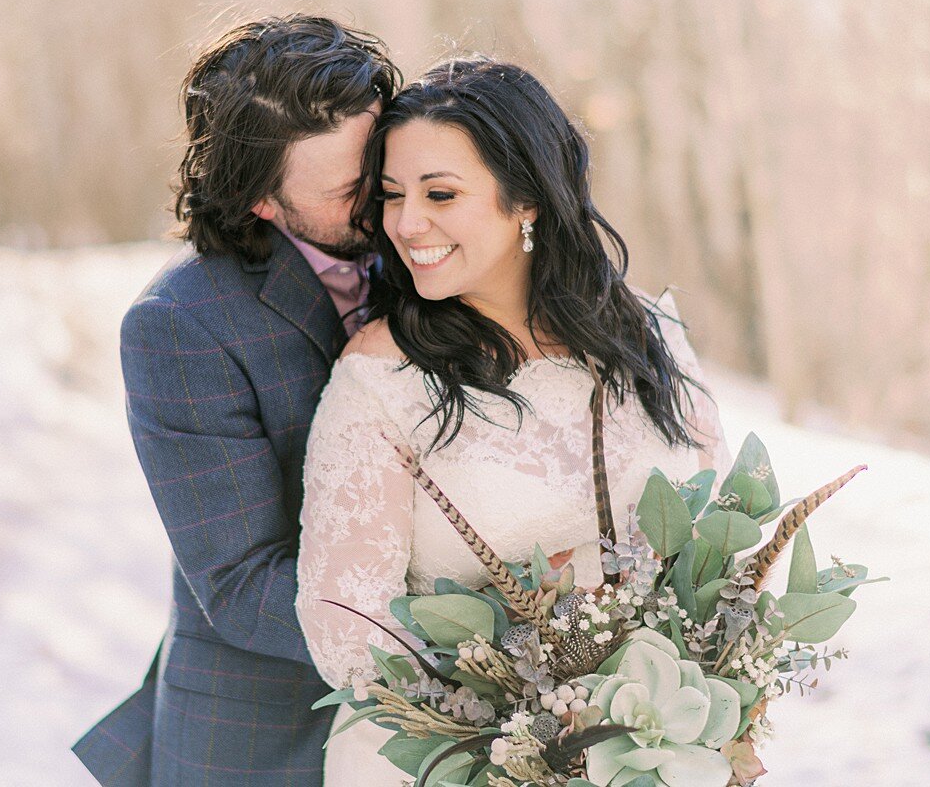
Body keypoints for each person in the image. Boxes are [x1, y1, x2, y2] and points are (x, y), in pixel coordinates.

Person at [295, 57, 733, 785]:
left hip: (657, 752)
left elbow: (719, 527)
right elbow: (347, 621)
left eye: (441, 193)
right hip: (462, 763)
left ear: (525, 199)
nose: (406, 224)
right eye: (393, 195)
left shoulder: (644, 331)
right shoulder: (382, 378)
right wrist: (520, 742)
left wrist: (710, 705)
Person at [73, 15, 399, 787]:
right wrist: (461, 644)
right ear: (260, 201)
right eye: (353, 189)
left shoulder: (423, 236)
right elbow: (243, 583)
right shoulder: (178, 327)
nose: (388, 200)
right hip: (262, 735)